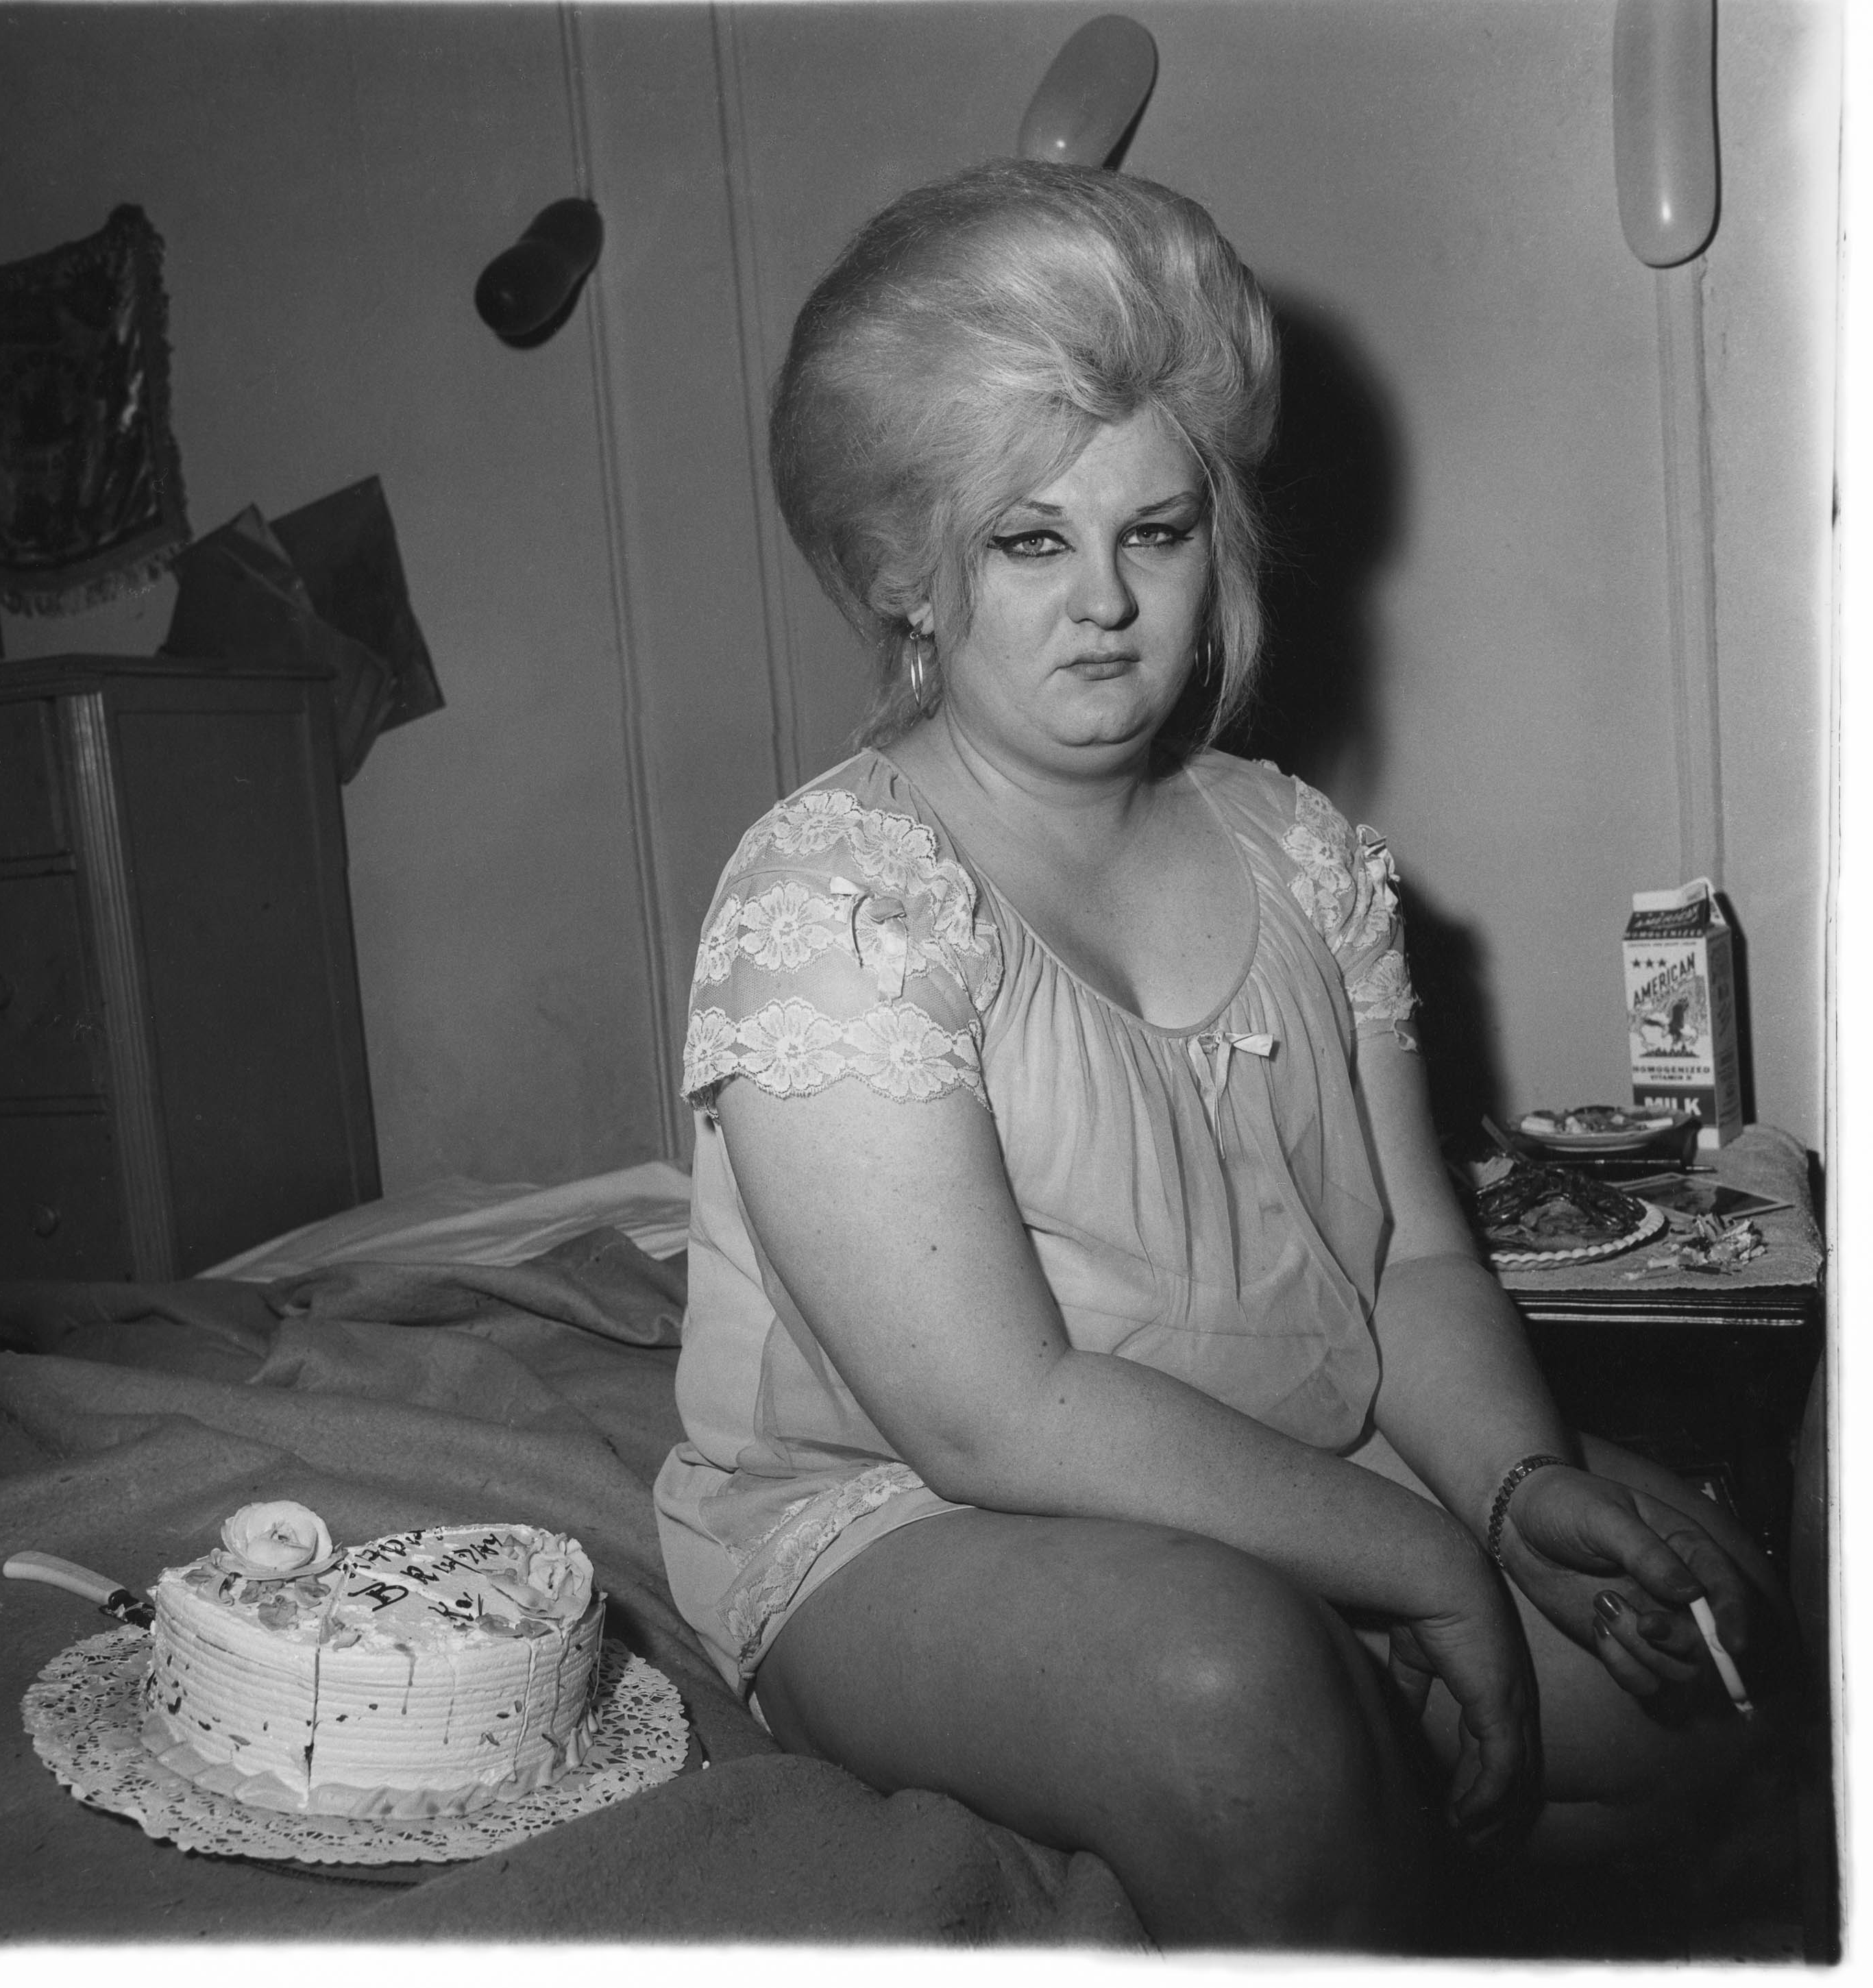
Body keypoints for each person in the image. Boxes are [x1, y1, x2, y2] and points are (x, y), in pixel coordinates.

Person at [652, 158, 1781, 1951]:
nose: (1106, 601)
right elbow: (990, 1410)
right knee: (1235, 1695)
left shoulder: (1303, 855)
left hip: (1285, 1452)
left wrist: (1517, 1489)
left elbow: (1408, 1260)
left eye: (1157, 532)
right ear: (903, 572)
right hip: (906, 1508)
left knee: (1714, 1649)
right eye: (1030, 540)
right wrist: (1417, 1560)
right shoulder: (838, 892)